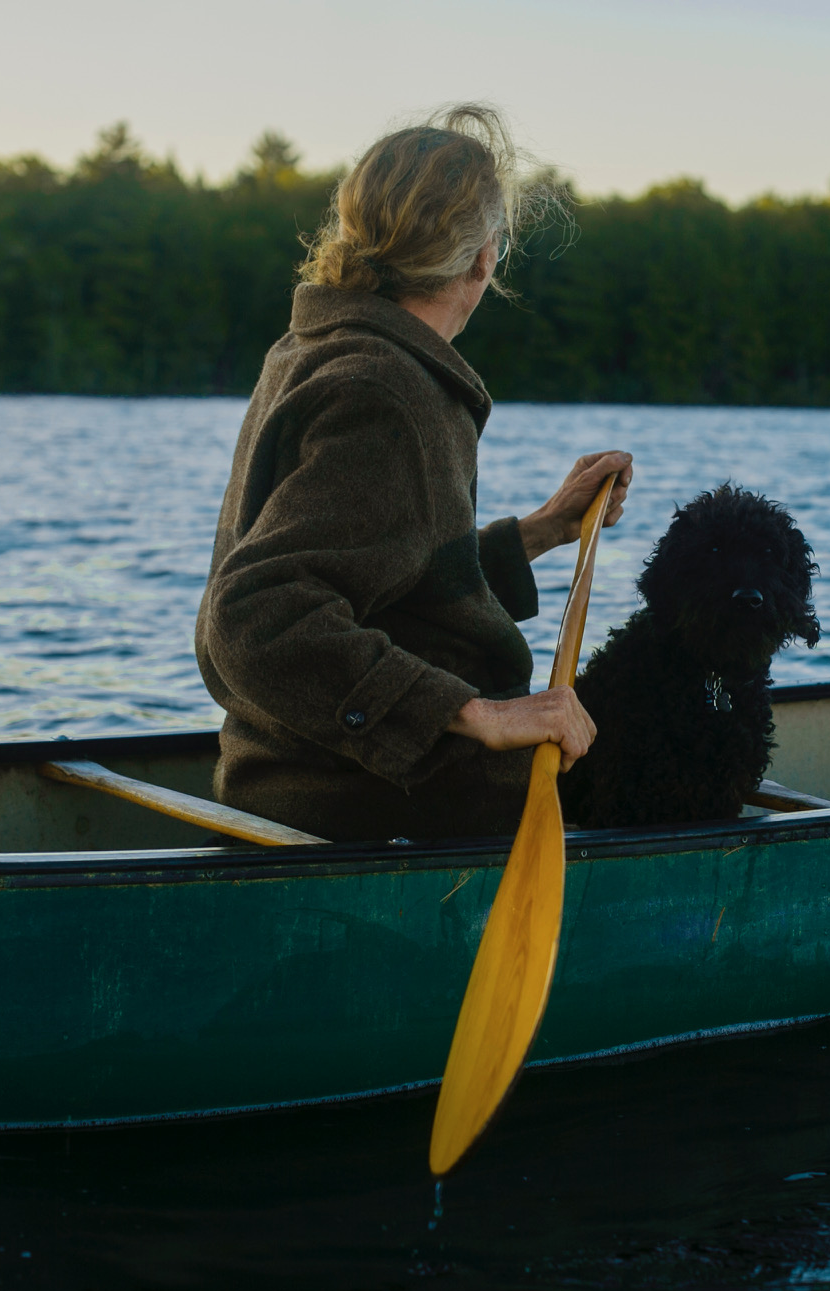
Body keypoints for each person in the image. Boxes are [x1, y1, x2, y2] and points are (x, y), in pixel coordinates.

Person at [195, 105, 633, 842]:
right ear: (483, 259)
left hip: (300, 778)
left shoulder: (314, 348)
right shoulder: (384, 389)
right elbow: (253, 617)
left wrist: (540, 531)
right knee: (662, 752)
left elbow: (389, 589)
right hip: (374, 801)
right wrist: (478, 714)